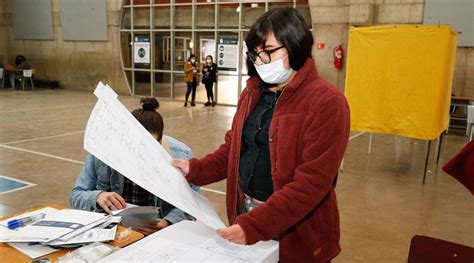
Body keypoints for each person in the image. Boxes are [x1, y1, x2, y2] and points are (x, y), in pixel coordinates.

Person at [172, 8, 350, 262]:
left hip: (298, 230)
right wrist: (195, 169)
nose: (260, 61)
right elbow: (234, 148)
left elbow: (311, 184)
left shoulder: (327, 102)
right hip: (248, 215)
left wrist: (255, 225)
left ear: (295, 44)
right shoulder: (253, 93)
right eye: (255, 53)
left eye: (268, 51)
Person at [71, 97, 198, 235]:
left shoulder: (182, 155)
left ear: (161, 142)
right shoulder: (103, 152)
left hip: (159, 235)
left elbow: (193, 205)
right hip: (116, 231)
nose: (141, 156)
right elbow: (76, 195)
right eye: (135, 148)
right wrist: (97, 197)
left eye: (149, 148)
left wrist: (167, 222)